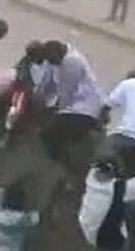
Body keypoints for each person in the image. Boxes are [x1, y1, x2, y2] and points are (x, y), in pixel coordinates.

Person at [40, 40, 103, 169]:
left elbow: (67, 91)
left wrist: (56, 110)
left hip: (83, 109)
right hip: (83, 106)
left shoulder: (71, 63)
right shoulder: (71, 57)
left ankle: (58, 165)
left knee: (49, 134)